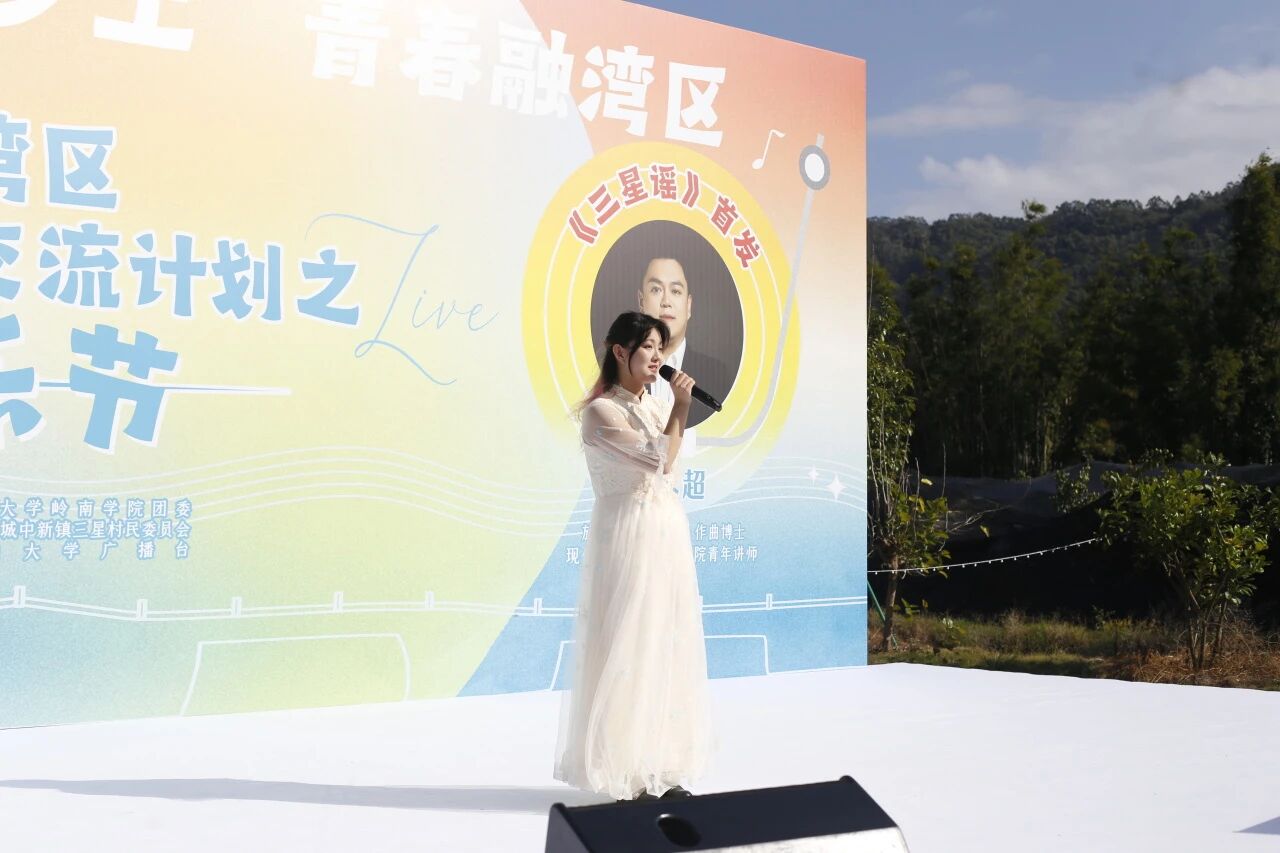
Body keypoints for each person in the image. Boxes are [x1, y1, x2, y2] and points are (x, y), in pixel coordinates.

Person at [553, 310, 714, 802]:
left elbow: (669, 466)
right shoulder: (601, 412)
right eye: (648, 347)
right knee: (629, 645)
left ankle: (661, 766)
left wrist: (675, 409)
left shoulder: (654, 406)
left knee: (665, 643)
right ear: (620, 351)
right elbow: (657, 459)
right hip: (627, 533)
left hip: (664, 530)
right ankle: (629, 770)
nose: (657, 357)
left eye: (661, 348)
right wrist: (681, 407)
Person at [637, 257, 733, 428]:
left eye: (675, 291)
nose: (666, 302)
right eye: (656, 289)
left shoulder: (718, 374)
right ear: (641, 301)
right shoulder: (621, 369)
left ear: (688, 306)